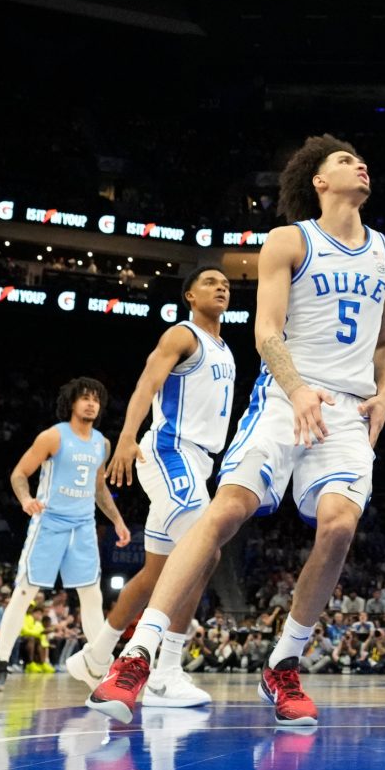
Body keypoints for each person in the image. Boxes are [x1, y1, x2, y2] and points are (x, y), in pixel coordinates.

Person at [88, 135, 385, 728]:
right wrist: (298, 388)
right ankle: (137, 656)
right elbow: (266, 332)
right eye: (344, 160)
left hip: (348, 413)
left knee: (339, 526)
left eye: (362, 158)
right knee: (226, 509)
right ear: (319, 180)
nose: (360, 163)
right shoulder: (290, 240)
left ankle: (283, 666)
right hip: (286, 398)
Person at [65, 268, 240, 710]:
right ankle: (165, 673)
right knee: (206, 551)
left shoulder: (224, 348)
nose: (222, 287)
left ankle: (95, 655)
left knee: (157, 574)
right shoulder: (182, 335)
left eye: (226, 284)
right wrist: (126, 437)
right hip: (170, 451)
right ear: (188, 295)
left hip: (199, 462)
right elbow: (148, 381)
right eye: (210, 282)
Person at [0, 377, 131, 689]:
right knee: (25, 592)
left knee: (92, 596)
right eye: (85, 398)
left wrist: (117, 520)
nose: (91, 403)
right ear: (72, 403)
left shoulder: (101, 443)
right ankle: (0, 662)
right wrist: (25, 500)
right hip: (50, 523)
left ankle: (100, 668)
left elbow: (99, 488)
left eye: (96, 399)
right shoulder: (52, 437)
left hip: (83, 526)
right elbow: (19, 473)